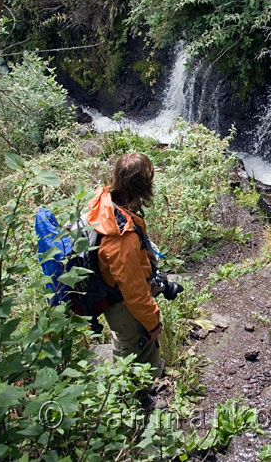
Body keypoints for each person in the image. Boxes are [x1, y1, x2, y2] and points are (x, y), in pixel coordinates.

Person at [86, 152, 164, 378]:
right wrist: (153, 323)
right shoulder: (122, 237)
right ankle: (137, 401)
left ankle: (125, 383)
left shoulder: (104, 201)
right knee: (139, 348)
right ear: (142, 187)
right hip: (123, 305)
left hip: (109, 295)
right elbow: (134, 291)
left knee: (123, 341)